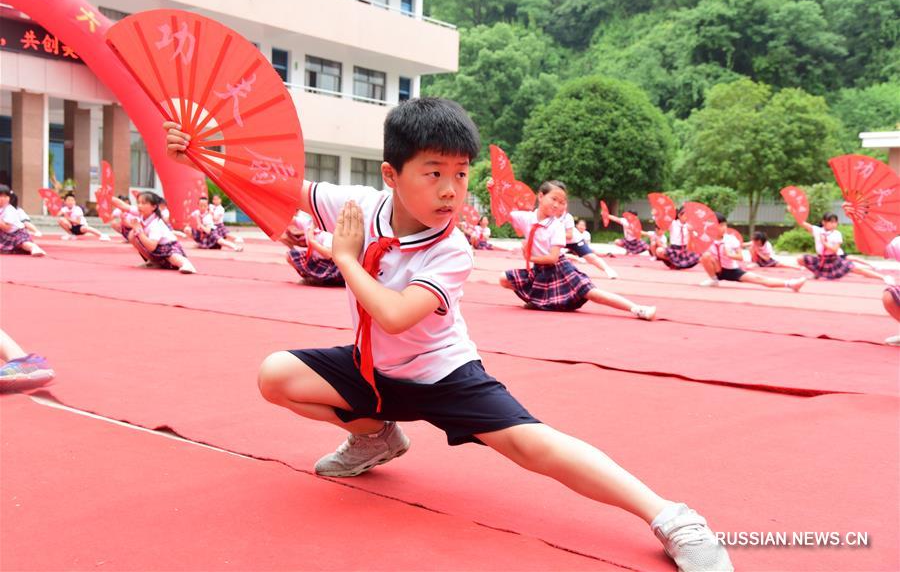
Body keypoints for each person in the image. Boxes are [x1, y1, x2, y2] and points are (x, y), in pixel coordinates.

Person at [165, 98, 732, 572]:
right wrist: (204, 155)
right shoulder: (360, 206)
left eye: (461, 174)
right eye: (433, 172)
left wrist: (344, 257)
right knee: (276, 376)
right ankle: (376, 437)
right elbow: (283, 185)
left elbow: (393, 314)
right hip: (371, 369)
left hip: (444, 375)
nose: (450, 190)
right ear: (392, 174)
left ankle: (671, 516)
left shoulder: (451, 249)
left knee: (531, 445)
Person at [498, 181, 653, 318]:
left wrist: (529, 257)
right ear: (540, 196)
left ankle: (636, 308)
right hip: (539, 272)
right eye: (554, 199)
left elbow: (552, 259)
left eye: (562, 202)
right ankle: (539, 301)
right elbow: (502, 211)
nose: (557, 205)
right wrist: (494, 190)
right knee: (504, 279)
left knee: (592, 293)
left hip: (559, 268)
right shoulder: (526, 218)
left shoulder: (557, 226)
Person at [699, 213, 806, 291]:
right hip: (717, 269)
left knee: (759, 279)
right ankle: (714, 280)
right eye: (720, 225)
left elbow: (740, 257)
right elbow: (692, 248)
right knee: (705, 256)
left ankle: (791, 284)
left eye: (724, 225)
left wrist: (729, 254)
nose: (723, 228)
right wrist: (690, 232)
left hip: (731, 270)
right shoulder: (706, 238)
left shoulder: (731, 239)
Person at [797, 213, 894, 284]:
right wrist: (793, 210)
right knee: (800, 259)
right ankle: (817, 273)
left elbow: (834, 250)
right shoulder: (818, 230)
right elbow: (802, 223)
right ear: (824, 222)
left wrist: (824, 243)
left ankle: (883, 277)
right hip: (820, 259)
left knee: (856, 268)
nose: (833, 224)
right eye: (831, 222)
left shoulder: (836, 234)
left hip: (833, 260)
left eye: (835, 222)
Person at [129, 191, 196, 273]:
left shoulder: (155, 223)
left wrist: (139, 231)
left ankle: (186, 264)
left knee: (172, 257)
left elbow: (151, 246)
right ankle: (154, 262)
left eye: (143, 203)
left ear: (154, 207)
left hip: (169, 247)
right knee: (132, 235)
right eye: (138, 203)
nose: (139, 206)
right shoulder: (143, 217)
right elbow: (124, 208)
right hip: (158, 251)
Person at [560, 213, 618, 279]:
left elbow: (569, 236)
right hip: (558, 241)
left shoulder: (567, 216)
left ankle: (608, 270)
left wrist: (553, 235)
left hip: (575, 241)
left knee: (590, 256)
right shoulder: (547, 217)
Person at [0, 185, 46, 256]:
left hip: (16, 232)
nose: (3, 199)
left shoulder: (9, 210)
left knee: (23, 243)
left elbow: (7, 227)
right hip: (4, 234)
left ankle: (34, 248)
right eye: (0, 196)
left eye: (6, 196)